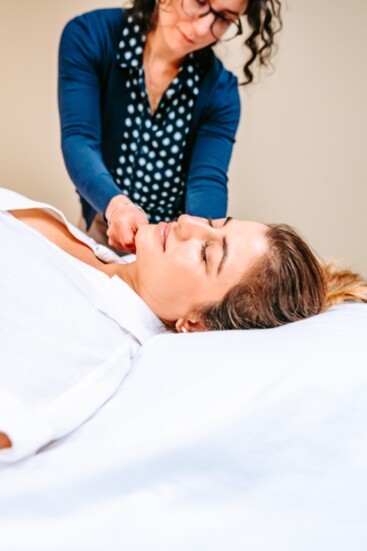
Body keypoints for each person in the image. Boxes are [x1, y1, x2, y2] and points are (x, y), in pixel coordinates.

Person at [1, 187, 367, 453]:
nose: (187, 222)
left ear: (197, 323)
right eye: (213, 222)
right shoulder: (104, 254)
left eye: (206, 252)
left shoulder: (87, 346)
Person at [58, 0, 282, 252]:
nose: (202, 28)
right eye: (199, 2)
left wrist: (199, 245)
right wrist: (117, 206)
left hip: (172, 244)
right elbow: (80, 139)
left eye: (223, 18)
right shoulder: (90, 35)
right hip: (105, 221)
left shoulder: (220, 92)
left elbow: (205, 181)